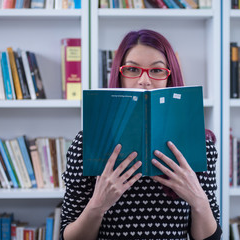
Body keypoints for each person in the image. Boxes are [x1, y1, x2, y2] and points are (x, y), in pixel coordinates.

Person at [60, 29, 222, 240]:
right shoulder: (87, 144)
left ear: (170, 78)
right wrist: (97, 206)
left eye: (156, 71)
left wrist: (198, 201)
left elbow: (210, 238)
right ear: (119, 75)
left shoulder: (199, 145)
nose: (144, 80)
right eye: (133, 69)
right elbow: (67, 237)